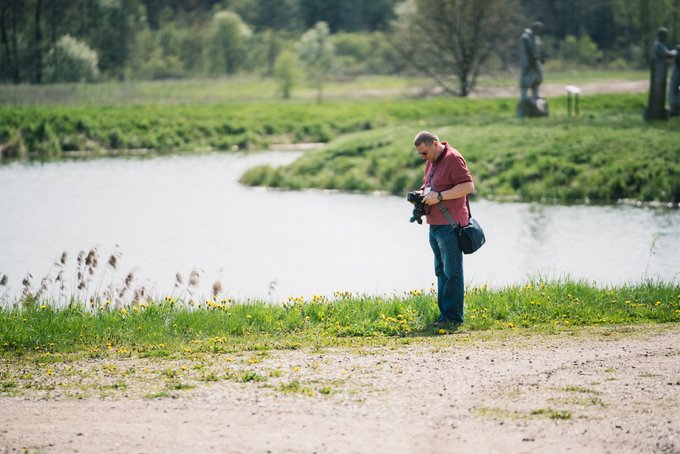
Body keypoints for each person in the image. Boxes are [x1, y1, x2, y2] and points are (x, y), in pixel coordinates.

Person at [414, 131, 475, 328]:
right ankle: (444, 316)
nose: (423, 157)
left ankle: (453, 318)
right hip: (435, 224)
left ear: (434, 143)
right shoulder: (431, 161)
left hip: (451, 225)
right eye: (420, 155)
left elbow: (468, 186)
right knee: (441, 271)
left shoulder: (453, 159)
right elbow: (429, 186)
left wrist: (439, 197)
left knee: (452, 272)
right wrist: (420, 195)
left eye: (424, 153)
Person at [646, 27, 677, 120]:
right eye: (664, 35)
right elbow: (667, 54)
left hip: (660, 71)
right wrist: (676, 52)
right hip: (658, 72)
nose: (665, 37)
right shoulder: (659, 45)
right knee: (658, 92)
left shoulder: (660, 44)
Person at [519, 21, 544, 102]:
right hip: (527, 62)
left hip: (536, 61)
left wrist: (540, 57)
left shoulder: (537, 38)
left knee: (537, 78)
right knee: (526, 79)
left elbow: (538, 50)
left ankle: (535, 94)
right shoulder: (525, 37)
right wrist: (531, 60)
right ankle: (524, 96)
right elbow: (527, 49)